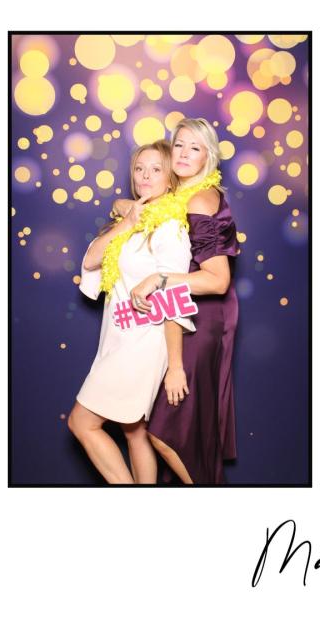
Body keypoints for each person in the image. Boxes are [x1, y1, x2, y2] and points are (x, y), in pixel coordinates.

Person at [68, 140, 194, 484]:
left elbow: (174, 294)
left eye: (155, 169)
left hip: (144, 341)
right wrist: (127, 221)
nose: (145, 176)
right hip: (118, 335)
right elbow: (91, 260)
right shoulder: (133, 218)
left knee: (81, 422)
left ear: (170, 178)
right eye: (139, 168)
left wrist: (175, 366)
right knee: (134, 430)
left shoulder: (170, 227)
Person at [120, 118, 237, 484]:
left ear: (208, 157)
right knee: (169, 428)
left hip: (200, 318)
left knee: (167, 431)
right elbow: (134, 206)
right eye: (179, 145)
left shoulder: (199, 201)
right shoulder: (177, 198)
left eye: (195, 148)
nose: (184, 154)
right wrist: (125, 206)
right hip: (179, 314)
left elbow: (218, 280)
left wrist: (159, 278)